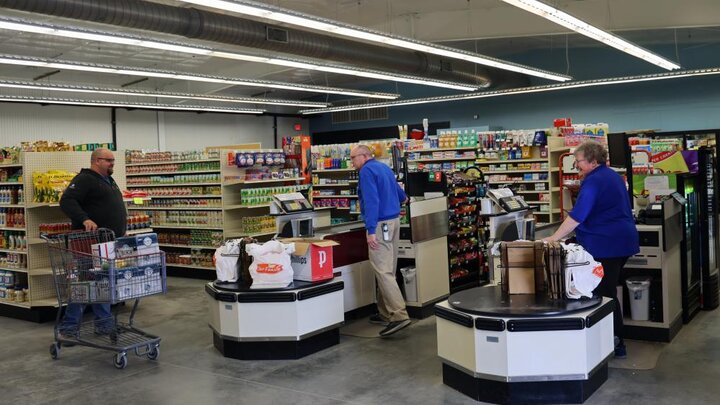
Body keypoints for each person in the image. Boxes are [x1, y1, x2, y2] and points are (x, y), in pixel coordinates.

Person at [543, 141, 639, 358]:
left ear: (593, 162)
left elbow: (578, 215)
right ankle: (608, 340)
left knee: (603, 294)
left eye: (579, 161)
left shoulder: (594, 181)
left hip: (606, 244)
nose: (576, 165)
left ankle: (615, 343)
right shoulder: (612, 175)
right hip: (620, 242)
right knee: (606, 290)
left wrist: (554, 237)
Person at [58, 148, 127, 337]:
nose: (112, 163)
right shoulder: (85, 179)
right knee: (85, 283)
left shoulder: (108, 180)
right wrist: (84, 219)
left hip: (106, 241)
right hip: (89, 242)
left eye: (113, 160)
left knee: (102, 283)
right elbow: (66, 201)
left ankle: (103, 323)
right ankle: (69, 327)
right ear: (96, 160)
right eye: (109, 160)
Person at [351, 144, 411, 337]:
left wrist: (370, 230)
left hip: (380, 224)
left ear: (363, 156)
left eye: (353, 159)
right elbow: (401, 195)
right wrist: (403, 199)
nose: (352, 163)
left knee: (382, 269)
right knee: (388, 267)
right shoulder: (383, 167)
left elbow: (371, 201)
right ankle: (385, 312)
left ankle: (399, 315)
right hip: (394, 221)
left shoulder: (366, 171)